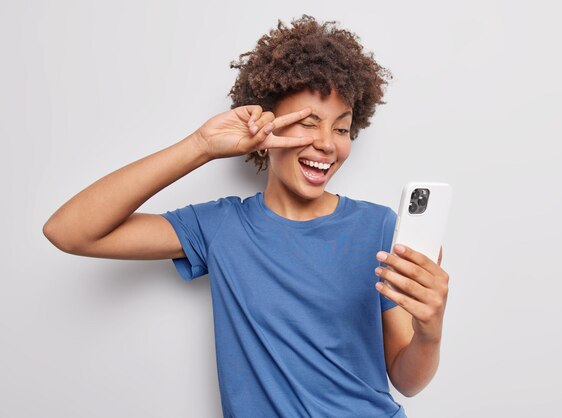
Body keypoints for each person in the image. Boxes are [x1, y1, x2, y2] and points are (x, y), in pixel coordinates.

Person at [43, 14, 449, 418]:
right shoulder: (220, 227)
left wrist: (429, 331)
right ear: (264, 128)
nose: (326, 144)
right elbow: (70, 232)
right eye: (308, 124)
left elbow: (406, 380)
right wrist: (201, 145)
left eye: (341, 129)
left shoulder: (377, 227)